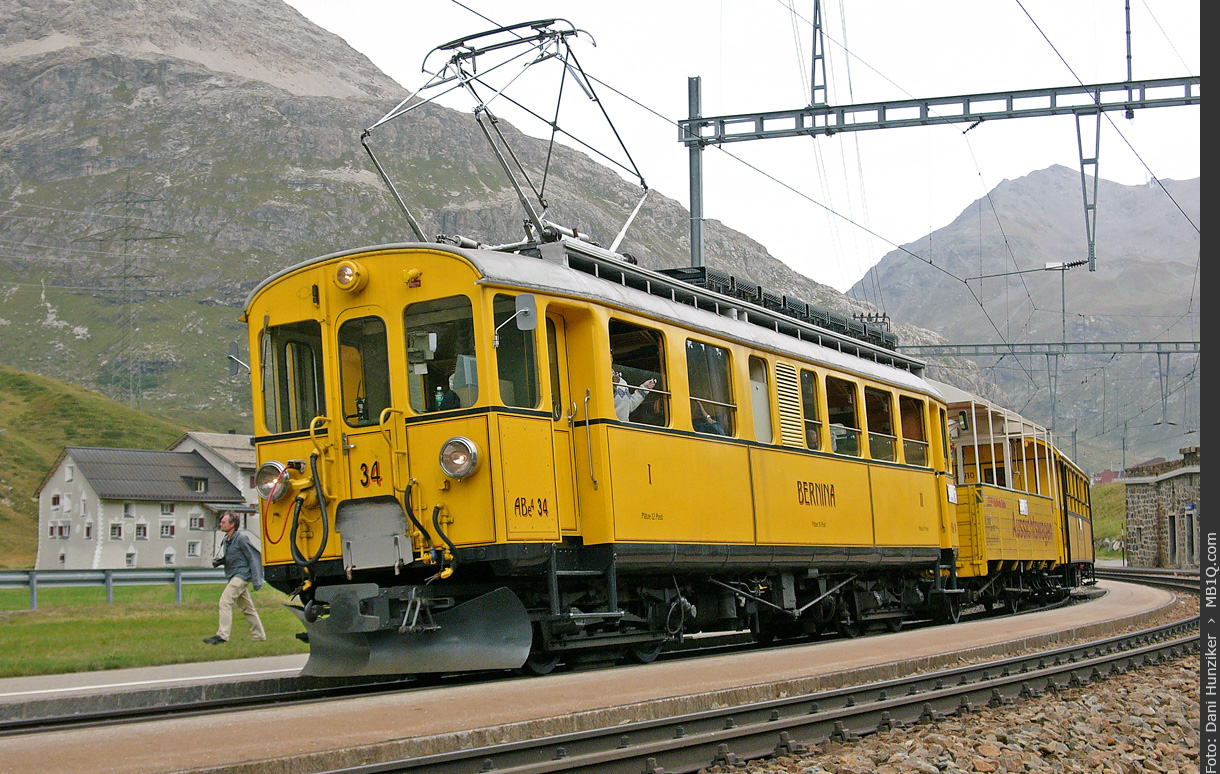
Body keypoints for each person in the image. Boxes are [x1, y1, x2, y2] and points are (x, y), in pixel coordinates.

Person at [204, 513, 266, 644]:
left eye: (223, 522)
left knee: (224, 602)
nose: (220, 524)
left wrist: (257, 581)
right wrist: (219, 562)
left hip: (241, 576)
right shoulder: (227, 540)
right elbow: (232, 557)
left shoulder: (242, 539)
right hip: (233, 576)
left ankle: (222, 636)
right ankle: (259, 636)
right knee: (248, 608)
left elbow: (253, 557)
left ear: (232, 524)